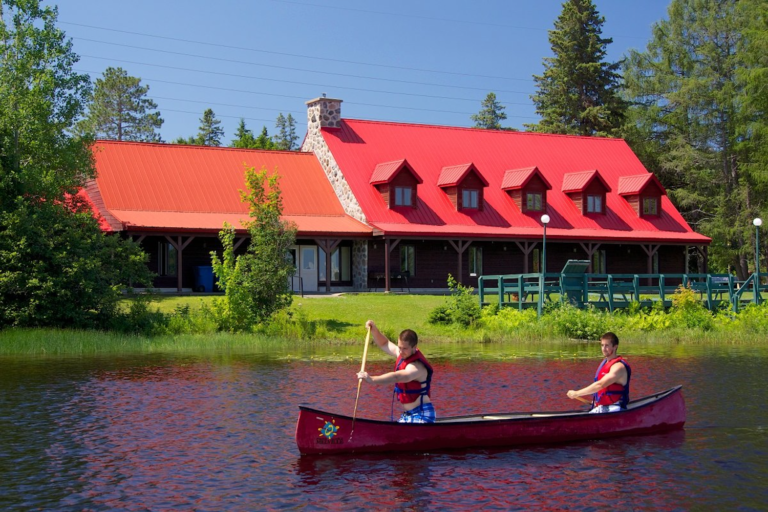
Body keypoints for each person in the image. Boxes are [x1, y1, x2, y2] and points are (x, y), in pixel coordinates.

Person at [356, 320, 435, 423]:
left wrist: (371, 379)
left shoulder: (416, 367)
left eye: (404, 348)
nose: (400, 352)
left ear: (414, 347)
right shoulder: (403, 353)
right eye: (399, 347)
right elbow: (384, 343)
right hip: (409, 415)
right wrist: (374, 329)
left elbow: (397, 377)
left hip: (423, 415)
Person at [567, 332, 631, 413]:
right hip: (603, 407)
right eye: (602, 345)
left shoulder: (618, 367)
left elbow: (600, 385)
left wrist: (577, 393)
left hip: (615, 408)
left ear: (615, 347)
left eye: (607, 345)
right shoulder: (605, 364)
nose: (603, 348)